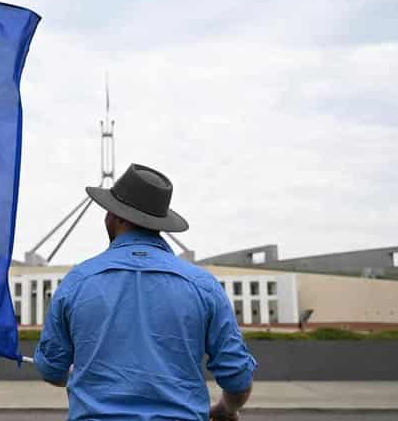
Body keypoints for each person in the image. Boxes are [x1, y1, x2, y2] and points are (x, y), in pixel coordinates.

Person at [34, 163, 257, 421]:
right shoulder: (203, 285)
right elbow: (238, 377)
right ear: (159, 223)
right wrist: (226, 409)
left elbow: (52, 371)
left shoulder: (77, 281)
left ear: (115, 217)